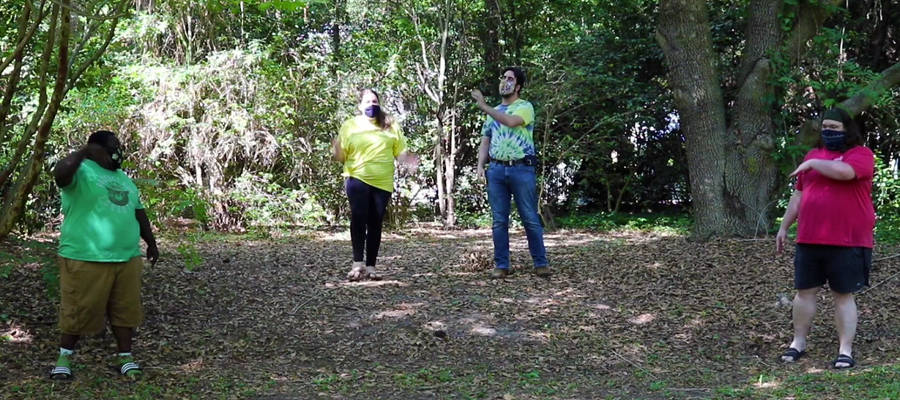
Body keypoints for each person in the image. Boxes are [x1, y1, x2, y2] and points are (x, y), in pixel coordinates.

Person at [49, 130, 159, 380]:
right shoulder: (80, 170)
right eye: (111, 147)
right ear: (94, 149)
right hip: (86, 256)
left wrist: (151, 243)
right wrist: (82, 153)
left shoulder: (123, 178)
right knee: (78, 309)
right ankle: (63, 359)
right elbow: (60, 175)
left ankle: (125, 358)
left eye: (117, 146)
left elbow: (138, 212)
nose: (116, 152)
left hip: (127, 257)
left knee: (125, 310)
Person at [775, 108, 875, 369]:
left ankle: (845, 350)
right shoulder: (813, 155)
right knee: (804, 292)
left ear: (847, 130)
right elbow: (798, 196)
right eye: (825, 127)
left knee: (843, 294)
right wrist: (784, 227)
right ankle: (798, 342)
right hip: (809, 238)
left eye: (834, 127)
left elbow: (845, 172)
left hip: (849, 239)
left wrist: (811, 164)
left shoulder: (860, 155)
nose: (828, 132)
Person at [472, 67, 550, 279]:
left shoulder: (524, 107)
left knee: (530, 218)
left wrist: (483, 105)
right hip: (496, 170)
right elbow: (485, 139)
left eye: (509, 79)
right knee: (499, 221)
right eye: (503, 77)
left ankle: (541, 263)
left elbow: (511, 121)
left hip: (522, 168)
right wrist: (480, 164)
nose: (504, 81)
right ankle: (502, 265)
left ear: (517, 86)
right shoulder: (493, 110)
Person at [332, 89, 417, 281]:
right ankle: (357, 263)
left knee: (375, 222)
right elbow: (340, 156)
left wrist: (409, 161)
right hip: (357, 177)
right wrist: (336, 148)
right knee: (358, 217)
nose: (372, 105)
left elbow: (400, 151)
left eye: (375, 101)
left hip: (382, 181)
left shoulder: (389, 124)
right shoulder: (350, 126)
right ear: (360, 105)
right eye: (368, 101)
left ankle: (371, 266)